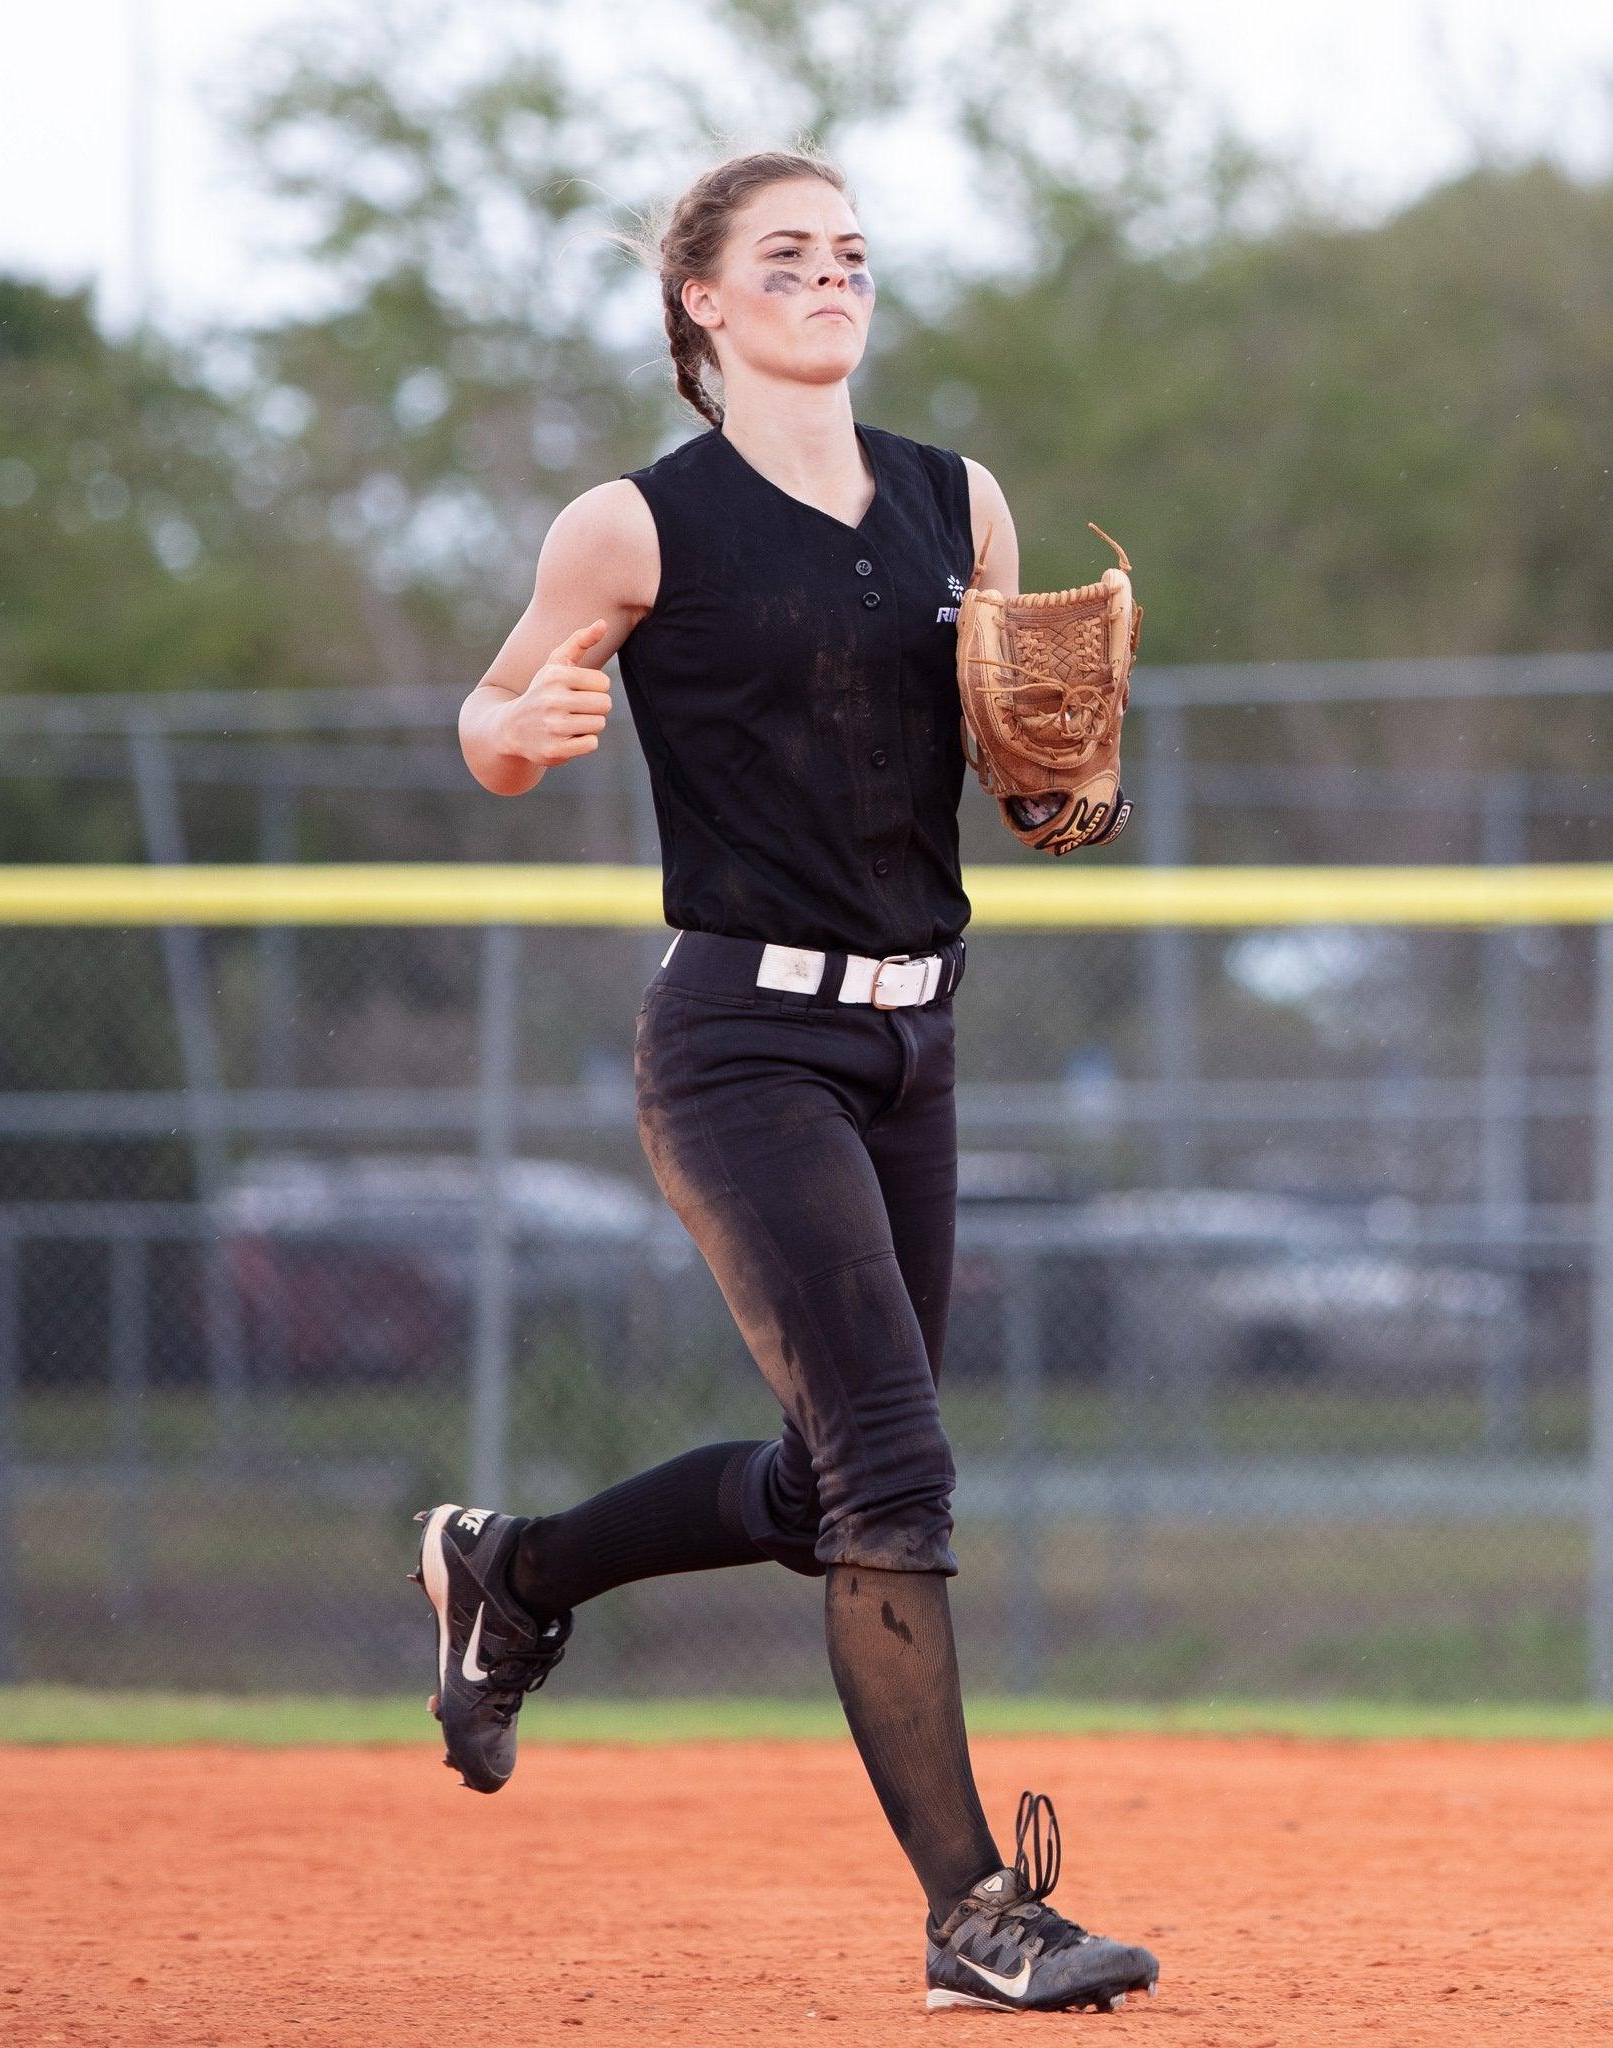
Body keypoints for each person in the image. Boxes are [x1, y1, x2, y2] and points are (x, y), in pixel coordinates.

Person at [413, 147, 1160, 2017]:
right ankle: (973, 1914)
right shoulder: (635, 528)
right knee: (900, 1471)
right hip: (742, 1039)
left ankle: (515, 1574)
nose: (830, 277)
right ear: (703, 301)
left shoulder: (953, 501)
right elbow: (491, 725)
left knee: (836, 1482)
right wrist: (527, 725)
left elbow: (1013, 776)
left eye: (850, 252)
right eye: (786, 255)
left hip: (917, 1030)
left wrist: (1057, 786)